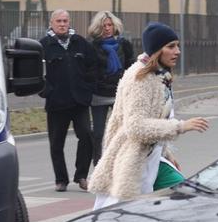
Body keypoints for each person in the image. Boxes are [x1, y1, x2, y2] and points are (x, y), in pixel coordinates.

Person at [88, 22, 209, 209]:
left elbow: (157, 120)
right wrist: (180, 126)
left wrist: (165, 153)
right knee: (122, 216)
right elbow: (136, 126)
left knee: (187, 198)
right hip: (133, 162)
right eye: (171, 46)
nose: (177, 51)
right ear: (156, 50)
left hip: (153, 158)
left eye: (177, 45)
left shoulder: (158, 75)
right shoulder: (140, 78)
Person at [40, 9, 96, 192]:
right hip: (56, 103)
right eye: (58, 21)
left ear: (69, 22)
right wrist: (46, 91)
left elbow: (93, 67)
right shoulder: (44, 45)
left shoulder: (80, 43)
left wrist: (88, 89)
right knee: (56, 143)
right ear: (51, 23)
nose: (62, 24)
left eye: (65, 21)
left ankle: (81, 175)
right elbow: (36, 73)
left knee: (87, 136)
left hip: (79, 101)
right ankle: (61, 180)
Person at [88, 11, 134, 165]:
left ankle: (118, 163)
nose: (107, 28)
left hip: (119, 95)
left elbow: (131, 68)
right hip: (99, 95)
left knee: (119, 132)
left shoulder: (124, 45)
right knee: (98, 133)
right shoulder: (93, 46)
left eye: (110, 25)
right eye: (104, 25)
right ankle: (98, 164)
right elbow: (90, 70)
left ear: (115, 26)